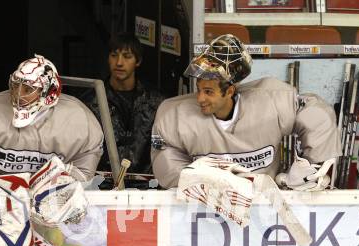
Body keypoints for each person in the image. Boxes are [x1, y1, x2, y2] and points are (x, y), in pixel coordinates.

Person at [151, 34, 341, 190]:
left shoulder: (270, 101)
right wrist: (196, 184)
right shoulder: (175, 115)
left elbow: (317, 115)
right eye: (199, 89)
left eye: (209, 92)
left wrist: (312, 166)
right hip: (206, 210)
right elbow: (166, 160)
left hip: (265, 207)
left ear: (230, 91)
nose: (200, 98)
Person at [0, 54, 103, 191]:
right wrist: (4, 191)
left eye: (28, 89)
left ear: (49, 92)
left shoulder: (79, 120)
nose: (17, 94)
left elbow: (83, 173)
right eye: (16, 85)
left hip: (54, 207)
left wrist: (54, 191)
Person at [84, 32, 165, 176]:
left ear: (137, 61)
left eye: (127, 56)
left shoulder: (156, 101)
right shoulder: (90, 102)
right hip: (102, 183)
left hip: (147, 185)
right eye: (114, 55)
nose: (119, 63)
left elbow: (164, 146)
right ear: (108, 59)